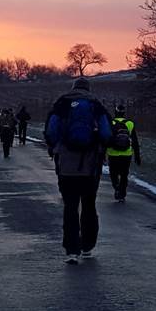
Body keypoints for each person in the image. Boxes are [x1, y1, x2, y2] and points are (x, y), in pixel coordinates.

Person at [45, 77, 111, 264]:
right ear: (89, 88)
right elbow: (106, 133)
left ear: (72, 87)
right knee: (89, 205)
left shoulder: (62, 103)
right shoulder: (95, 104)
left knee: (70, 206)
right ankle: (88, 245)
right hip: (91, 165)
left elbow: (51, 132)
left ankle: (71, 249)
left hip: (66, 164)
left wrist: (55, 147)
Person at [106, 104, 142, 202]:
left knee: (113, 174)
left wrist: (102, 154)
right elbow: (135, 141)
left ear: (115, 112)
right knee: (124, 174)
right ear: (124, 113)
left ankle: (116, 187)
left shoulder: (110, 123)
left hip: (112, 153)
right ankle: (122, 194)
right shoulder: (130, 123)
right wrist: (137, 156)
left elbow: (106, 139)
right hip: (126, 154)